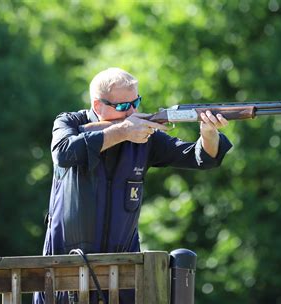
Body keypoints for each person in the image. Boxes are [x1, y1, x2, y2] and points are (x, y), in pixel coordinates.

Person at [33, 67, 232, 303]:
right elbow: (64, 153)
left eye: (136, 102)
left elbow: (199, 157)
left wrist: (209, 132)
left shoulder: (144, 136)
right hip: (65, 273)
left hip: (123, 276)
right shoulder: (70, 122)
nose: (132, 111)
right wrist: (124, 131)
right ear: (98, 106)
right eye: (122, 106)